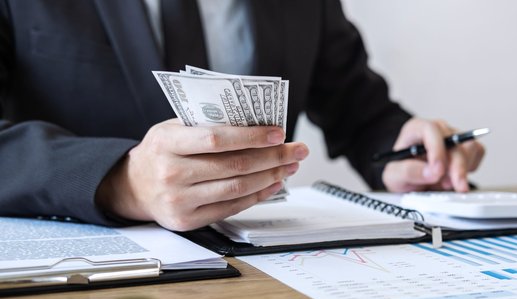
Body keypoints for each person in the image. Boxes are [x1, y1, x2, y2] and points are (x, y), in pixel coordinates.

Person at [0, 0, 484, 232]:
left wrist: (407, 150)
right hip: (84, 271)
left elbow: (360, 111)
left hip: (266, 268)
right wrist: (120, 182)